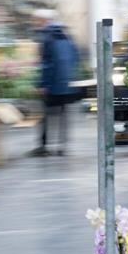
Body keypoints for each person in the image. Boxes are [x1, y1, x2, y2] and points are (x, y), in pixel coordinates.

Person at [31, 9, 80, 156]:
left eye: (37, 20)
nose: (35, 23)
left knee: (45, 116)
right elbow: (75, 57)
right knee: (63, 115)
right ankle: (62, 146)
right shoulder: (67, 36)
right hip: (65, 84)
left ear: (44, 21)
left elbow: (46, 64)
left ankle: (43, 146)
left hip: (51, 85)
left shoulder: (47, 37)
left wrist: (42, 84)